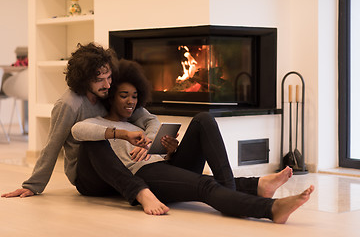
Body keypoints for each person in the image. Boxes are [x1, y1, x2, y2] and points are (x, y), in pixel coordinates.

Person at [71, 58, 314, 223]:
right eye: (123, 95)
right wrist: (123, 135)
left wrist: (170, 151)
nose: (130, 101)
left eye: (135, 96)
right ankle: (270, 209)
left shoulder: (139, 123)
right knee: (204, 186)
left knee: (203, 119)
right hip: (144, 174)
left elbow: (158, 142)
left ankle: (240, 191)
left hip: (162, 166)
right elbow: (78, 131)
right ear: (111, 97)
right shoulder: (99, 127)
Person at [1, 43, 170, 214]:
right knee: (93, 142)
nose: (107, 84)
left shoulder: (107, 93)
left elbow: (150, 119)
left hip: (116, 167)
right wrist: (33, 186)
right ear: (84, 79)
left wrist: (150, 139)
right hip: (86, 175)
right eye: (99, 79)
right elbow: (52, 146)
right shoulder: (68, 104)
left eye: (109, 77)